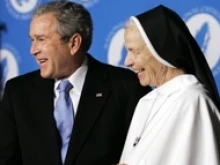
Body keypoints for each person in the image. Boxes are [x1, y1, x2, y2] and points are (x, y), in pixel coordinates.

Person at [0, 1, 151, 165]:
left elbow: (146, 155)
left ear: (73, 43)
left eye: (41, 39)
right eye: (32, 40)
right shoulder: (18, 92)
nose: (33, 50)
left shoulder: (125, 86)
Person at [118, 5, 220, 165]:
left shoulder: (194, 101)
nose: (127, 62)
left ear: (161, 51)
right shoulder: (145, 102)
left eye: (135, 52)